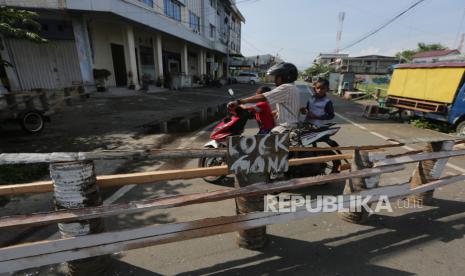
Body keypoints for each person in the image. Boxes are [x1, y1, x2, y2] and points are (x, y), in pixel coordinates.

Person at [228, 62, 300, 133]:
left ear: (285, 77)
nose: (275, 79)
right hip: (288, 126)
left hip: (284, 128)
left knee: (260, 142)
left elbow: (264, 97)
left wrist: (239, 102)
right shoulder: (293, 88)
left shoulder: (287, 87)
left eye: (277, 77)